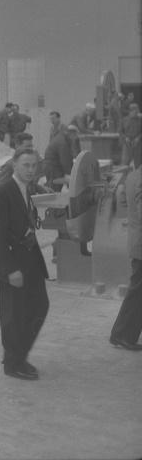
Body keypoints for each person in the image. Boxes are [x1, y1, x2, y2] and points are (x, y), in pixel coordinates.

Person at [0, 148, 49, 380]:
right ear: (14, 165)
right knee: (14, 314)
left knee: (39, 306)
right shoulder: (3, 190)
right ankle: (13, 364)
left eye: (34, 165)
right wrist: (10, 269)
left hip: (29, 255)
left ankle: (18, 355)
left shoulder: (28, 188)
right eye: (26, 165)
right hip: (11, 260)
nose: (31, 170)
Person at [109, 150, 142, 351]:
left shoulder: (133, 175)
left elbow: (124, 202)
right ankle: (121, 334)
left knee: (137, 292)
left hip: (137, 241)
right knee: (137, 293)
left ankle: (123, 334)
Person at [43, 125, 78, 191]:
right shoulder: (63, 143)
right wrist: (70, 174)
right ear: (71, 133)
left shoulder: (63, 138)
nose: (75, 139)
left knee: (53, 187)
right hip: (53, 168)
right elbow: (65, 161)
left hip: (52, 167)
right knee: (53, 189)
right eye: (75, 136)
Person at [119, 102, 141, 167]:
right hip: (127, 144)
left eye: (137, 111)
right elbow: (120, 131)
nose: (136, 113)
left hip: (138, 144)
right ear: (130, 111)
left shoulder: (140, 120)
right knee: (125, 163)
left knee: (138, 164)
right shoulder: (124, 120)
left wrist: (138, 138)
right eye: (134, 111)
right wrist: (125, 138)